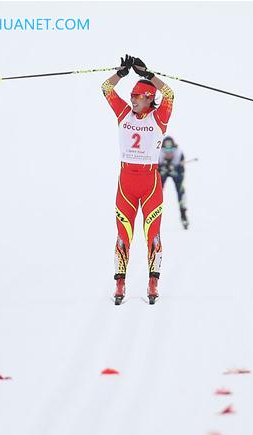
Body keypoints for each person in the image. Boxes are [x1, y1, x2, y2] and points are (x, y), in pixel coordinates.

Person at [101, 54, 174, 304]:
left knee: (152, 234)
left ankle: (153, 283)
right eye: (131, 96)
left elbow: (170, 95)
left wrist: (148, 75)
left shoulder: (159, 117)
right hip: (126, 183)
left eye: (137, 97)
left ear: (149, 98)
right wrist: (121, 73)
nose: (131, 100)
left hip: (151, 182)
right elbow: (106, 88)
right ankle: (119, 284)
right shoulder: (124, 114)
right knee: (123, 235)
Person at [158, 136, 189, 229]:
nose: (168, 153)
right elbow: (154, 170)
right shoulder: (158, 154)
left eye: (170, 150)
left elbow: (182, 174)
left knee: (181, 191)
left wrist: (175, 171)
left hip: (175, 171)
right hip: (162, 171)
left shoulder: (179, 154)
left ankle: (183, 215)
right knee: (157, 192)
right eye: (166, 150)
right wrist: (162, 169)